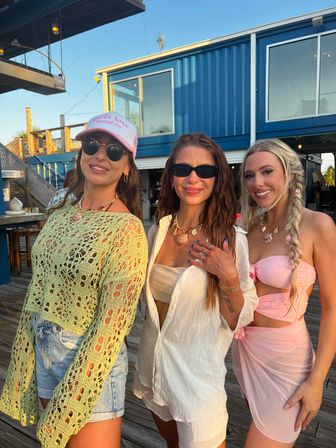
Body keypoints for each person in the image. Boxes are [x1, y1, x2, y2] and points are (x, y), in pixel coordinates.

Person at [0, 112, 148, 448]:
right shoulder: (62, 209)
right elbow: (40, 287)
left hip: (89, 360)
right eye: (93, 145)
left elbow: (112, 328)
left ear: (127, 167)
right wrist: (26, 357)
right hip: (44, 348)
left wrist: (72, 395)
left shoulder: (126, 231)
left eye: (114, 151)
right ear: (81, 153)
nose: (100, 155)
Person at [133, 133, 258, 448]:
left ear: (217, 179)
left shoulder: (230, 239)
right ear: (171, 174)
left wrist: (228, 275)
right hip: (153, 368)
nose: (193, 177)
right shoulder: (156, 232)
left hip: (197, 380)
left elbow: (236, 320)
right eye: (183, 168)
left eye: (204, 171)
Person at [232, 138, 336, 447]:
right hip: (246, 355)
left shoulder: (318, 225)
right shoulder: (247, 228)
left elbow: (332, 308)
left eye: (267, 172)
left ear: (290, 174)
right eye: (249, 175)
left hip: (287, 362)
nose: (257, 183)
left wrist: (317, 381)